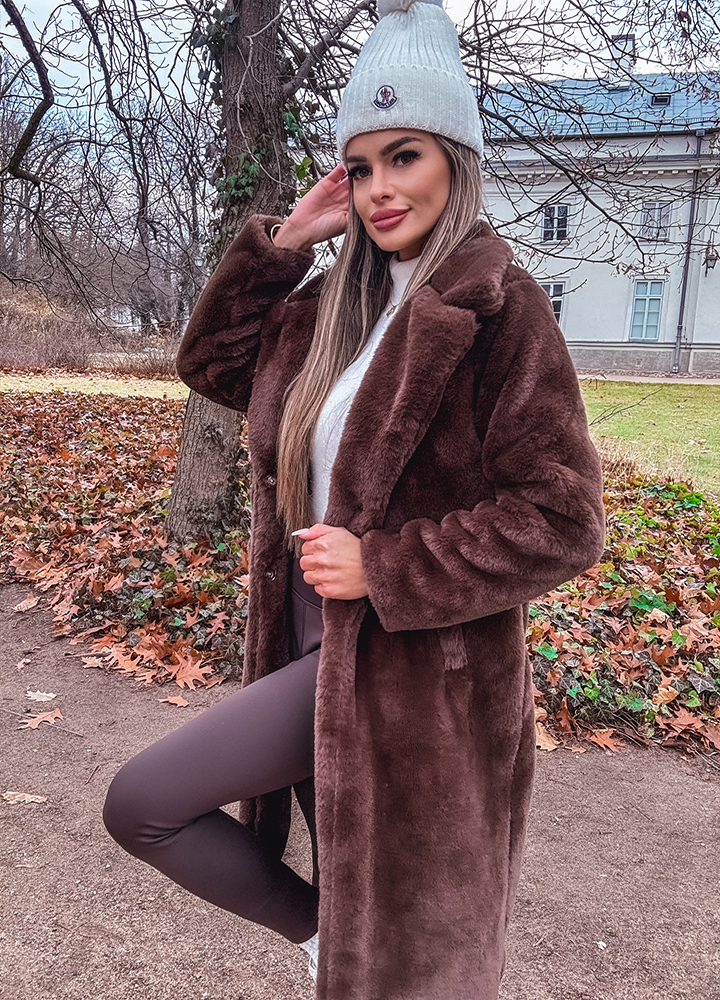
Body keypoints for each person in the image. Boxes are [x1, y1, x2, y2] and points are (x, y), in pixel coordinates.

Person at [103, 1, 606, 997]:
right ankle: (324, 937)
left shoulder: (499, 308)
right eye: (361, 165)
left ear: (455, 159)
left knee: (150, 802)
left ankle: (336, 944)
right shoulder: (334, 305)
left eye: (404, 156)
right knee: (355, 907)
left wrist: (388, 565)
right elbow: (214, 365)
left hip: (414, 667)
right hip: (307, 636)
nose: (380, 189)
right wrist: (288, 241)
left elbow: (563, 516)